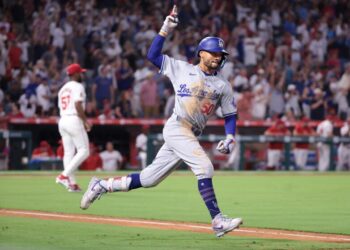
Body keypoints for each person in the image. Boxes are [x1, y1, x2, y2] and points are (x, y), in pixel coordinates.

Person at [81, 5, 242, 238]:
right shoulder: (181, 69)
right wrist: (165, 28)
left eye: (221, 55)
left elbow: (230, 115)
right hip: (177, 126)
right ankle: (217, 220)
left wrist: (230, 137)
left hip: (190, 133)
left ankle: (101, 185)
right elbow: (152, 56)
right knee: (204, 167)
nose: (219, 57)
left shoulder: (222, 85)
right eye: (214, 53)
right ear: (201, 53)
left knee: (148, 179)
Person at [56, 63, 91, 192]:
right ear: (75, 74)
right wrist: (85, 121)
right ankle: (64, 176)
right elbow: (77, 104)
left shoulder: (63, 89)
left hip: (63, 120)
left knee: (69, 153)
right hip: (73, 119)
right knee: (84, 151)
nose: (81, 74)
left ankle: (72, 183)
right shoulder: (78, 86)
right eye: (80, 73)